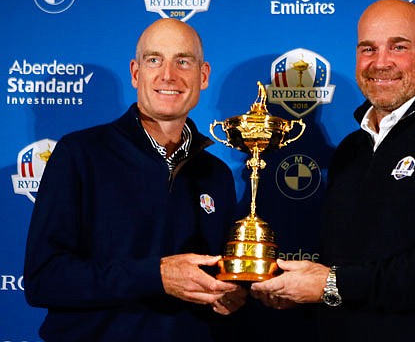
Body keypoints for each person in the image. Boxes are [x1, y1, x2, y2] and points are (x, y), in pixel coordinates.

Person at [251, 0, 415, 341]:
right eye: (368, 49)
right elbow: (349, 271)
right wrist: (305, 290)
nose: (380, 63)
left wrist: (330, 284)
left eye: (398, 47)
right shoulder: (350, 150)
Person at [24, 18, 247, 342]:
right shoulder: (80, 154)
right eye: (154, 59)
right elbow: (43, 279)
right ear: (135, 72)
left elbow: (217, 276)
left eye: (182, 61)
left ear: (203, 76)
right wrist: (156, 276)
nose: (168, 75)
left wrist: (231, 295)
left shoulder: (216, 174)